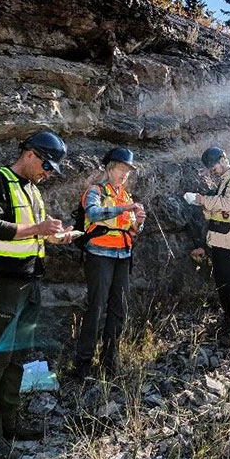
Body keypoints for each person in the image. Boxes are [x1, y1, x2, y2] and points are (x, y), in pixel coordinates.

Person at [0, 131, 74, 459]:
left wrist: (57, 237)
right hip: (2, 285)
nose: (48, 172)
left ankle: (9, 423)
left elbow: (31, 236)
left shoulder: (31, 190)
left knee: (16, 358)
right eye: (46, 164)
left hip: (28, 285)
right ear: (30, 154)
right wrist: (36, 230)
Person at [70, 147, 146, 379]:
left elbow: (132, 229)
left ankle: (110, 361)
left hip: (123, 256)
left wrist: (139, 222)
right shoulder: (95, 191)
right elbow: (93, 214)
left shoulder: (126, 196)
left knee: (118, 308)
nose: (124, 175)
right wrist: (126, 208)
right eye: (121, 169)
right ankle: (83, 363)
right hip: (99, 256)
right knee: (97, 307)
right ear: (110, 168)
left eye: (128, 171)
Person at [184, 147, 230, 347]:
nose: (212, 170)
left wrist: (201, 199)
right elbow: (216, 210)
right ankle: (228, 320)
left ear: (224, 159)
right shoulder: (223, 182)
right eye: (209, 167)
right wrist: (204, 205)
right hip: (219, 240)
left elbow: (229, 204)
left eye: (214, 165)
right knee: (223, 284)